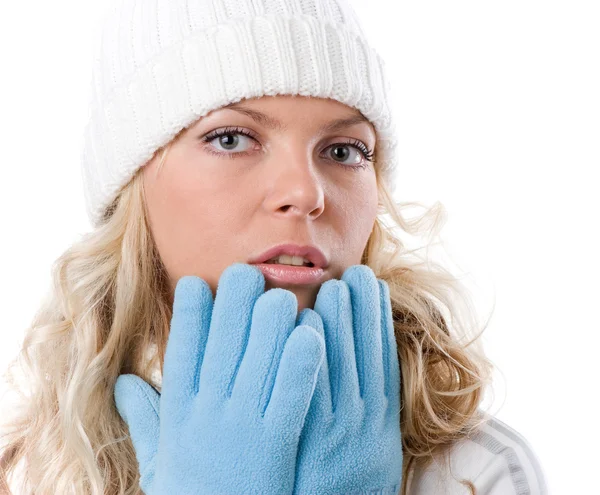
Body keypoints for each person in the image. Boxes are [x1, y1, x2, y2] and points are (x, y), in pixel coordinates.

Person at [0, 0, 548, 493]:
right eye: (231, 138)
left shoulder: (476, 473)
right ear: (132, 185)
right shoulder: (31, 472)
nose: (306, 193)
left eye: (343, 150)